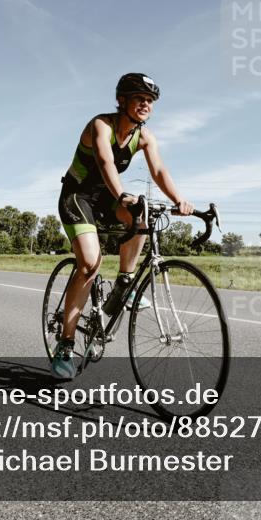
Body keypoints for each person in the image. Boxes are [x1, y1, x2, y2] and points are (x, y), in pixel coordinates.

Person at [52, 73, 193, 380]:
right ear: (122, 101)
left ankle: (125, 283)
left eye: (150, 101)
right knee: (89, 264)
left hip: (107, 197)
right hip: (77, 196)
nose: (146, 105)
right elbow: (105, 163)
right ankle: (65, 344)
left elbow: (158, 169)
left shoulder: (144, 137)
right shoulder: (101, 124)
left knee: (140, 219)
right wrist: (122, 195)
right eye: (140, 99)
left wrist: (180, 199)